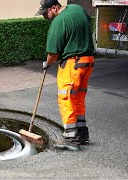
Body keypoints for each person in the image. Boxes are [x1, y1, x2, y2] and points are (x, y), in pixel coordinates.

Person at [35, 0, 95, 150]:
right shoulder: (76, 9)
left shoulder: (58, 22)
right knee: (78, 98)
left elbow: (53, 53)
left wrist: (47, 63)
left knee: (66, 97)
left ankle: (71, 138)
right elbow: (86, 22)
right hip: (88, 61)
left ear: (54, 7)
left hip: (72, 64)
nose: (46, 18)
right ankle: (82, 134)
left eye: (46, 14)